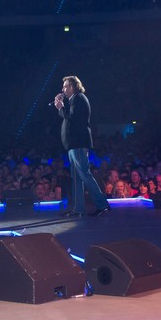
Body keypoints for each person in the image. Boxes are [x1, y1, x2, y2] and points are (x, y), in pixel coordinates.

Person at [54, 75, 110, 217]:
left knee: (84, 174)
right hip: (73, 144)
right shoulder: (74, 100)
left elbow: (72, 119)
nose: (63, 89)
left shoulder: (79, 98)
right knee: (77, 178)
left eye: (65, 86)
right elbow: (69, 118)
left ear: (73, 86)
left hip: (78, 143)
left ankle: (103, 205)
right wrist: (61, 107)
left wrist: (61, 107)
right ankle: (78, 209)